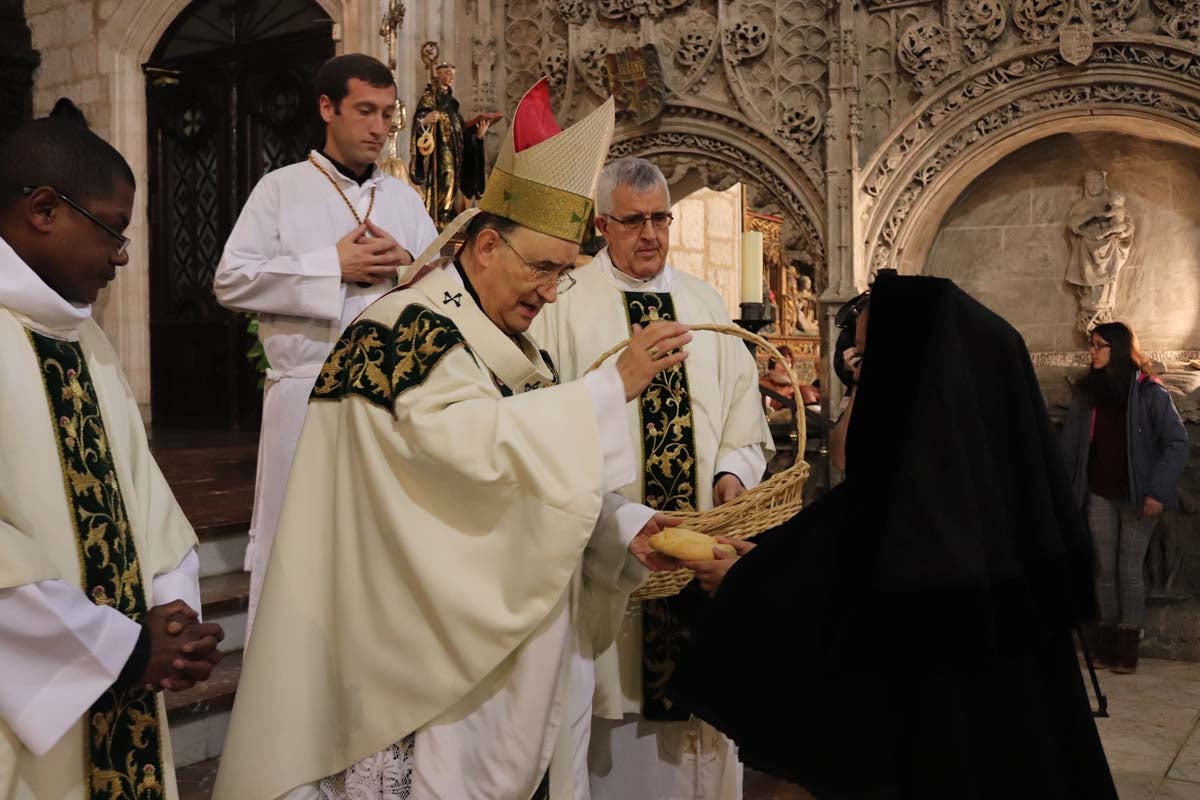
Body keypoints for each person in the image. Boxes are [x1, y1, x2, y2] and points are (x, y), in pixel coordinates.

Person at [213, 78, 689, 800]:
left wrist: (626, 526)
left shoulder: (512, 339)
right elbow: (461, 458)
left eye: (565, 274)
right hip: (414, 667)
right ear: (488, 245)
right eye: (542, 268)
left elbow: (540, 476)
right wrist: (605, 390)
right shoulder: (400, 331)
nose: (550, 292)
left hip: (502, 664)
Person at [671, 273, 1118, 799]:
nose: (859, 377)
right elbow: (833, 551)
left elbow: (847, 613)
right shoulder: (970, 501)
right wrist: (760, 568)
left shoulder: (919, 515)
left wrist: (747, 582)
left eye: (866, 359)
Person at [532, 157, 773, 800]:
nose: (650, 235)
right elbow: (548, 430)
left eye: (660, 218)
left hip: (699, 554)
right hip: (615, 554)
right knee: (620, 744)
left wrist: (731, 474)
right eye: (633, 221)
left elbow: (743, 423)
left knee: (703, 730)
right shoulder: (564, 305)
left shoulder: (705, 303)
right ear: (602, 225)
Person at [0, 117, 224, 798]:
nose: (122, 255)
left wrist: (174, 619)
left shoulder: (82, 339)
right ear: (43, 209)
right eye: (111, 227)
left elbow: (143, 493)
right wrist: (122, 647)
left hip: (120, 677)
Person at [213, 53, 438, 635]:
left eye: (388, 114)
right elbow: (231, 280)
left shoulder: (405, 201)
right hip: (305, 396)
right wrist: (329, 265)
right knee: (303, 544)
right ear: (326, 108)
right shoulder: (280, 190)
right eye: (364, 111)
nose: (378, 127)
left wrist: (406, 266)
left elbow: (445, 293)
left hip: (393, 404)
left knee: (381, 550)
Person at [1062, 322, 1188, 674]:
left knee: (1129, 569)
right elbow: (1071, 450)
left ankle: (1128, 648)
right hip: (1099, 493)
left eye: (1099, 345)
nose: (1092, 351)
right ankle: (1106, 646)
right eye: (1092, 345)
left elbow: (1177, 444)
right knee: (1103, 568)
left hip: (1138, 497)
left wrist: (1156, 491)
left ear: (1116, 349)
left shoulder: (1150, 392)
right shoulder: (1087, 395)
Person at [410, 62, 495, 228]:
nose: (450, 77)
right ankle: (442, 214)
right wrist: (425, 121)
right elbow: (420, 119)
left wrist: (477, 136)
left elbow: (461, 131)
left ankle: (449, 213)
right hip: (440, 149)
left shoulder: (453, 105)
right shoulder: (430, 99)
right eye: (447, 73)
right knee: (446, 175)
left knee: (454, 178)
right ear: (439, 74)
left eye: (452, 75)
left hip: (455, 150)